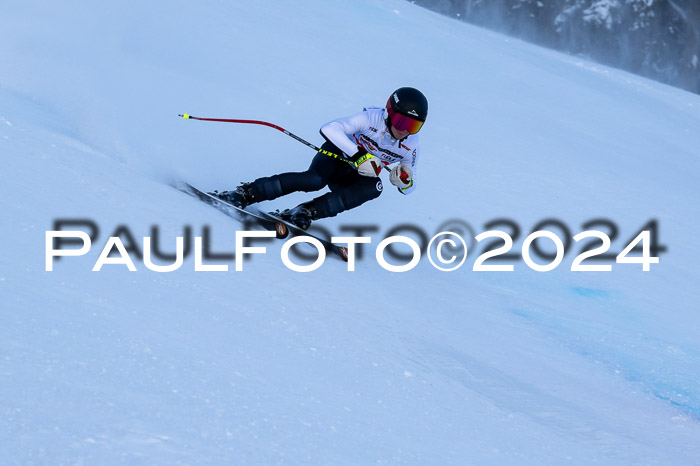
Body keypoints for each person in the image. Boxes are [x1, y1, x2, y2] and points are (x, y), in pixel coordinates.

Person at [213, 87, 428, 229]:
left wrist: (405, 180)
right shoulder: (370, 119)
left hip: (353, 176)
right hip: (336, 157)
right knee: (315, 180)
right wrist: (359, 155)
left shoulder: (411, 144)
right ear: (389, 113)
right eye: (401, 122)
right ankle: (247, 193)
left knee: (376, 187)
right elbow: (330, 128)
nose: (405, 131)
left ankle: (306, 211)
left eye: (414, 126)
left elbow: (410, 184)